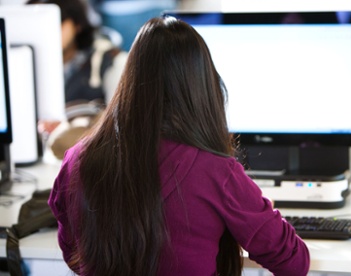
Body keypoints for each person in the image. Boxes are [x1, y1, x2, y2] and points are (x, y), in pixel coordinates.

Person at [49, 16, 310, 275]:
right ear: (203, 87)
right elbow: (294, 262)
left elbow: (72, 250)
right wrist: (263, 209)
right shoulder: (216, 172)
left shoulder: (76, 160)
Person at [27, 0, 127, 134]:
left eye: (56, 24)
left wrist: (70, 127)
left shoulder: (110, 60)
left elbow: (123, 122)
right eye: (35, 26)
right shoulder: (23, 68)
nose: (45, 33)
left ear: (77, 24)